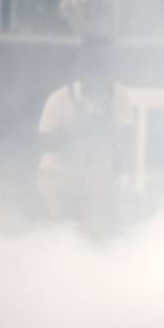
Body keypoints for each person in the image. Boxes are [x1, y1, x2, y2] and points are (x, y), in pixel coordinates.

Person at [37, 44, 135, 234]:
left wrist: (104, 127)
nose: (98, 80)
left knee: (97, 237)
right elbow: (43, 142)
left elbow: (128, 134)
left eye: (103, 73)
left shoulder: (118, 95)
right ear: (82, 76)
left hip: (98, 179)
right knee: (62, 236)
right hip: (60, 178)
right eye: (93, 73)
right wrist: (73, 131)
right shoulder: (59, 99)